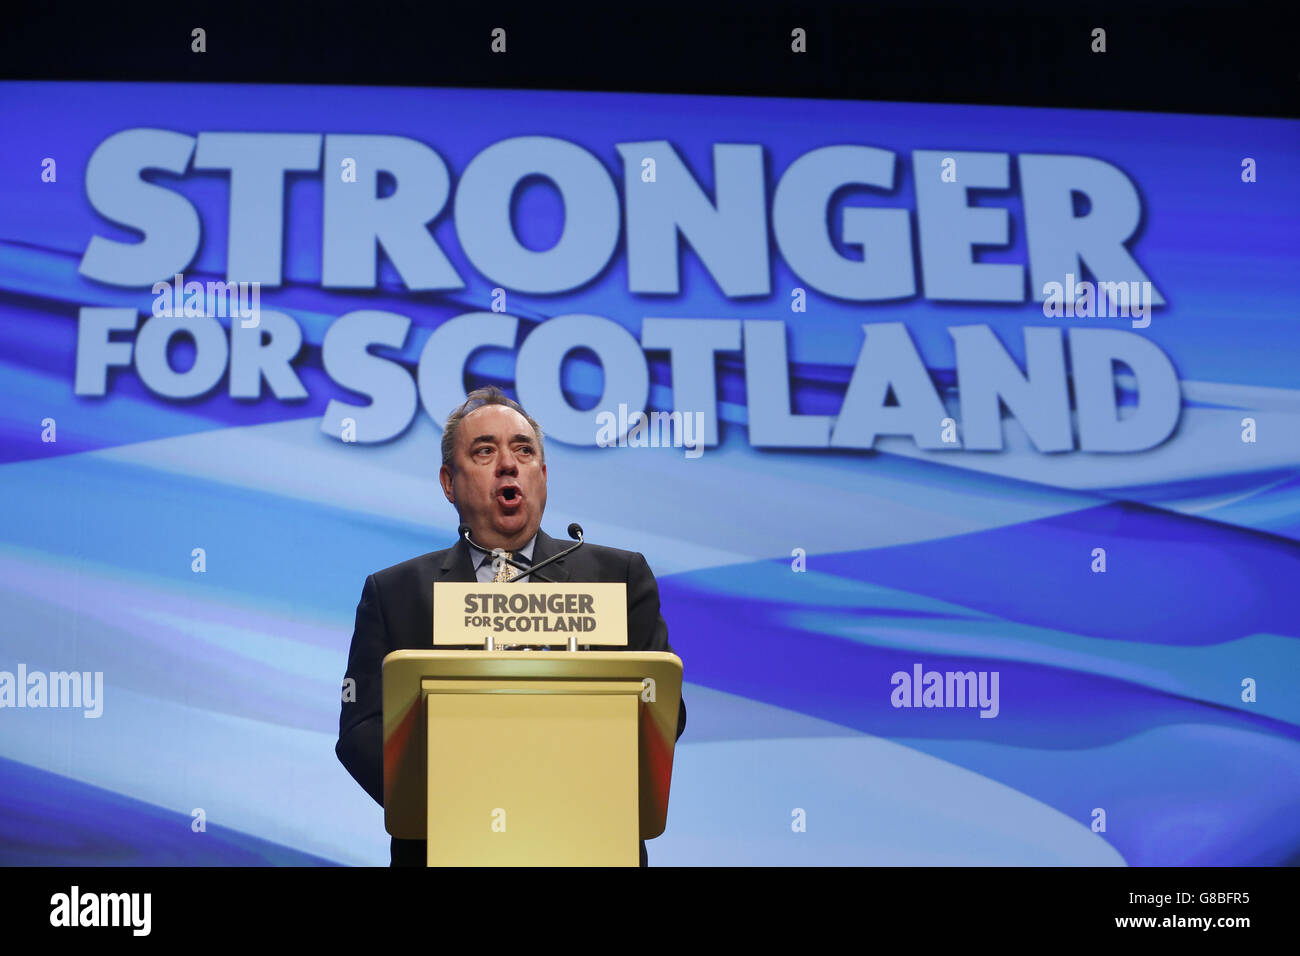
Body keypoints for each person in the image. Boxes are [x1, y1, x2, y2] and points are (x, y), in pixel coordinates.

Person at [336, 385, 687, 866]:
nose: (508, 463)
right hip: (447, 847)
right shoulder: (396, 593)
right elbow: (361, 730)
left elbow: (665, 710)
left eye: (524, 450)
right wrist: (459, 802)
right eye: (484, 451)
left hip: (588, 844)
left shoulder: (617, 577)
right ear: (448, 482)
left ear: (542, 475)